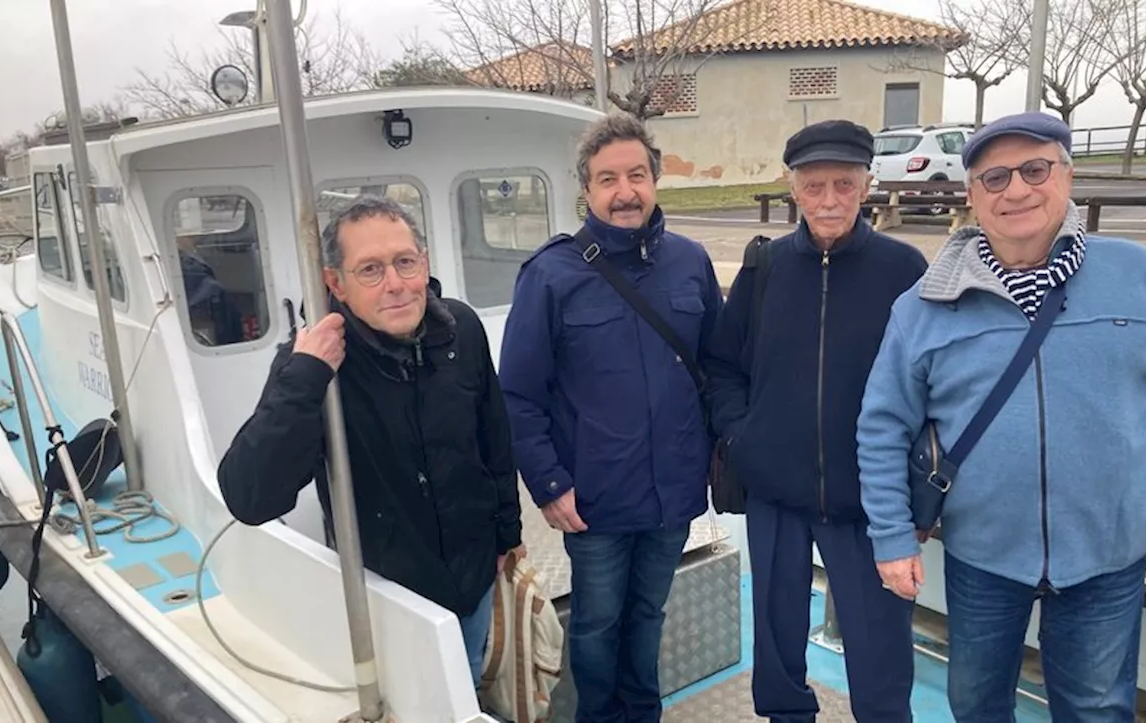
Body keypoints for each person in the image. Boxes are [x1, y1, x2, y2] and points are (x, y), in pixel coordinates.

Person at [858, 111, 1146, 720]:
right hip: (983, 553)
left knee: (1095, 707)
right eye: (995, 178)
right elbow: (881, 427)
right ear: (972, 195)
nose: (1017, 190)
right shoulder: (925, 305)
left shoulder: (1139, 276)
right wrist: (892, 536)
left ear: (1067, 175)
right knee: (976, 703)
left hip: (1110, 551)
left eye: (1035, 169)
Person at [216, 195, 525, 684]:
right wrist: (305, 375)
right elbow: (250, 497)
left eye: (405, 262)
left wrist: (508, 534)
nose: (396, 285)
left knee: (466, 685)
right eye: (371, 270)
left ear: (424, 263)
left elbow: (494, 439)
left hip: (473, 575)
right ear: (335, 282)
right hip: (388, 594)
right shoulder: (315, 366)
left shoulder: (461, 329)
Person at [497, 113, 722, 723]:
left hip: (674, 490)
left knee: (648, 614)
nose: (625, 192)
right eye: (608, 179)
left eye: (637, 175)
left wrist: (720, 457)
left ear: (655, 179)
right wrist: (548, 483)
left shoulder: (691, 263)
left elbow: (719, 369)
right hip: (592, 497)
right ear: (587, 191)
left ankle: (642, 713)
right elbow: (517, 393)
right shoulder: (551, 275)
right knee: (597, 624)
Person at [703, 119, 927, 722]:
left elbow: (932, 381)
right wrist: (741, 436)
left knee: (879, 653)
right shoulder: (765, 268)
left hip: (869, 498)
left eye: (844, 185)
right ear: (793, 188)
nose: (829, 200)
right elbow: (723, 365)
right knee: (776, 646)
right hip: (776, 489)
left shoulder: (904, 271)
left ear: (867, 185)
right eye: (815, 186)